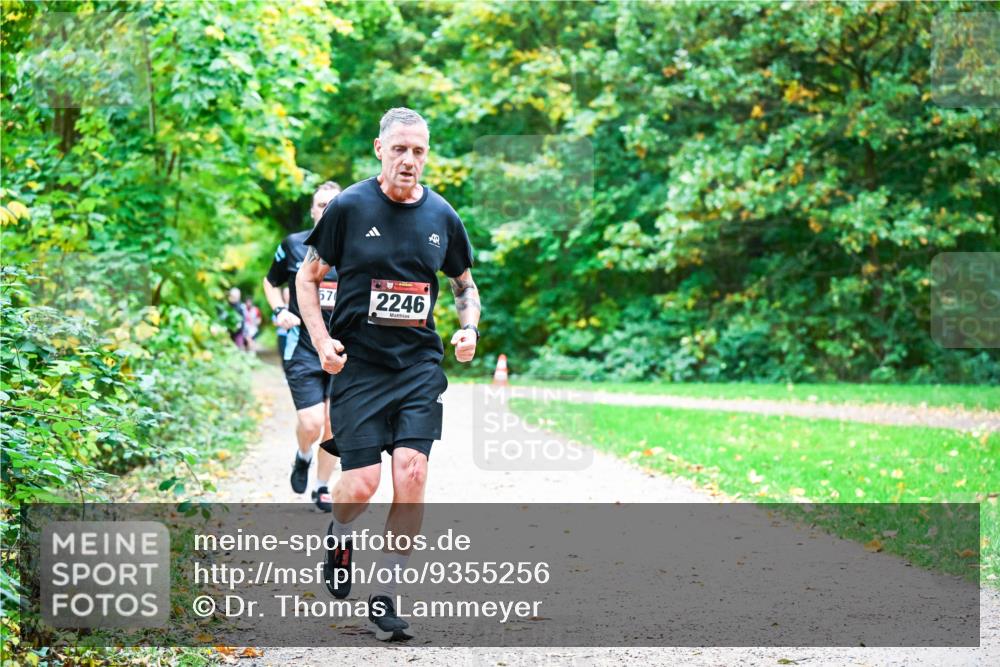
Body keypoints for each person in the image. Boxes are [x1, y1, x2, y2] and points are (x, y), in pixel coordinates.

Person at [296, 108, 479, 641]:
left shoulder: (442, 216)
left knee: (412, 474)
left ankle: (386, 597)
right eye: (399, 149)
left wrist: (468, 328)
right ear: (380, 148)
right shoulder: (350, 207)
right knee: (360, 486)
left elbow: (465, 285)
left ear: (427, 154)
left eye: (418, 151)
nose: (409, 160)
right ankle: (338, 533)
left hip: (419, 364)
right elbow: (308, 279)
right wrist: (320, 340)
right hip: (360, 365)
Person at [262, 181, 343, 511]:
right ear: (313, 210)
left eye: (333, 205)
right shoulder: (294, 245)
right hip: (303, 347)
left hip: (341, 351)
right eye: (321, 204)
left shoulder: (356, 250)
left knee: (333, 423)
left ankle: (322, 486)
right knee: (312, 423)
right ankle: (303, 455)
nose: (326, 210)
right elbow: (270, 282)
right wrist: (279, 310)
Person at [275, 286, 291, 358]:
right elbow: (275, 322)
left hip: (292, 335)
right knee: (283, 354)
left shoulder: (294, 307)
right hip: (282, 335)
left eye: (288, 293)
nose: (286, 295)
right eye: (285, 294)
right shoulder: (279, 307)